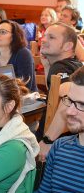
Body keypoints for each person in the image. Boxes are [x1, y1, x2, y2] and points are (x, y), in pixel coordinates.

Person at [34, 22, 82, 156]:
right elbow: (55, 93)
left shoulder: (60, 67)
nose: (43, 40)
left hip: (53, 144)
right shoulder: (74, 64)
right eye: (45, 36)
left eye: (51, 37)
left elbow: (67, 90)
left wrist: (48, 140)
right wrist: (47, 67)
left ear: (68, 46)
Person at [0, 20, 37, 91]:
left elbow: (25, 86)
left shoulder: (23, 54)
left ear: (14, 36)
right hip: (0, 96)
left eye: (2, 32)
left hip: (25, 98)